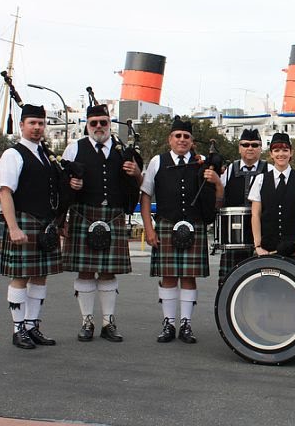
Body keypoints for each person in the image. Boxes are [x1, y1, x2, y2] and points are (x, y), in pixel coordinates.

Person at [62, 103, 142, 342]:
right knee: (85, 271)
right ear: (87, 125)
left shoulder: (122, 150)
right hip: (83, 215)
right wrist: (64, 211)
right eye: (93, 123)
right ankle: (87, 321)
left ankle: (108, 322)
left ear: (110, 123)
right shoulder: (74, 148)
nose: (99, 127)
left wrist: (135, 172)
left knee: (108, 271)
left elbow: (139, 183)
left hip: (114, 215)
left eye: (103, 122)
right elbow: (61, 184)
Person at [140, 117, 222, 343]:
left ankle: (186, 324)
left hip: (194, 226)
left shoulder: (202, 161)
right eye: (178, 136)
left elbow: (216, 194)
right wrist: (149, 228)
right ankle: (169, 323)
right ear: (170, 139)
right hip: (166, 224)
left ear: (192, 141)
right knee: (168, 277)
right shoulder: (158, 161)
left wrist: (217, 181)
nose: (182, 140)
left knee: (188, 277)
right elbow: (146, 195)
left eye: (186, 136)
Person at [0, 104, 62, 349]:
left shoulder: (43, 154)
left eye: (40, 123)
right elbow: (5, 192)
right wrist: (13, 227)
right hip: (24, 221)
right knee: (20, 277)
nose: (37, 127)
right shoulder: (13, 154)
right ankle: (18, 330)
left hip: (44, 224)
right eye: (32, 123)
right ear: (22, 125)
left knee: (40, 277)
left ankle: (32, 325)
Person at [248, 132, 295, 257]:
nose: (281, 154)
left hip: (293, 246)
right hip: (266, 247)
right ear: (271, 154)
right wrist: (258, 246)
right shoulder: (260, 180)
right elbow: (255, 214)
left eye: (285, 150)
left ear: (291, 153)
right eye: (276, 150)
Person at [218, 128, 268, 284]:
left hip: (262, 237)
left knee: (260, 284)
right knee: (229, 283)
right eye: (245, 145)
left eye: (255, 145)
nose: (250, 148)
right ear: (239, 148)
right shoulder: (228, 170)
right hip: (234, 237)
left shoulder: (270, 171)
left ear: (261, 148)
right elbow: (218, 197)